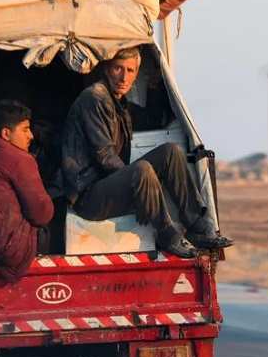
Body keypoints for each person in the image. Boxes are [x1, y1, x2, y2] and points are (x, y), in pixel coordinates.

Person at [61, 47, 234, 259]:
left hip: (108, 185)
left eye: (131, 71)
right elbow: (105, 157)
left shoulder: (118, 103)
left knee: (170, 152)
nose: (124, 77)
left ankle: (196, 226)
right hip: (88, 195)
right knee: (141, 171)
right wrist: (138, 190)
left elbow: (151, 119)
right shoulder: (94, 98)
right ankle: (167, 234)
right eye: (118, 68)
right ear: (107, 69)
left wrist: (154, 85)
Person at [0, 100, 54, 283]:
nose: (31, 135)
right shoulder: (18, 158)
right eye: (25, 129)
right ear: (6, 134)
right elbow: (42, 213)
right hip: (10, 249)